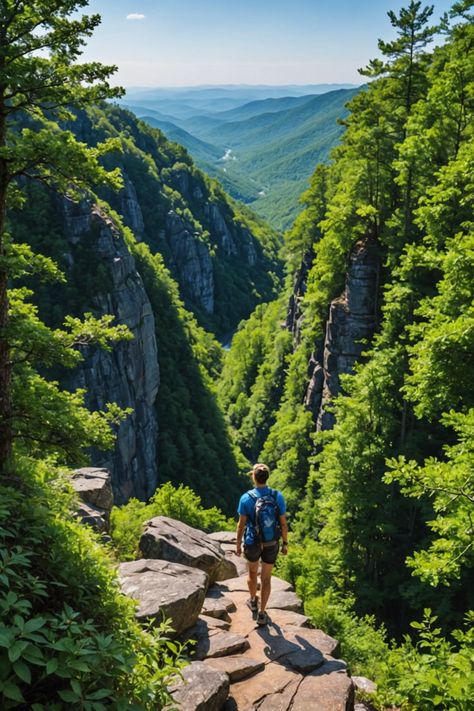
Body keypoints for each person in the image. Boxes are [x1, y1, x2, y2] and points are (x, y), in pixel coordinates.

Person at [236, 463, 288, 626]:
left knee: (252, 573)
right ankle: (262, 613)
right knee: (266, 578)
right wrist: (285, 543)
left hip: (252, 542)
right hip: (271, 542)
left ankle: (253, 601)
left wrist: (238, 544)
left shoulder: (246, 498)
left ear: (253, 477)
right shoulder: (277, 496)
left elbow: (241, 524)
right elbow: (284, 524)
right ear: (267, 477)